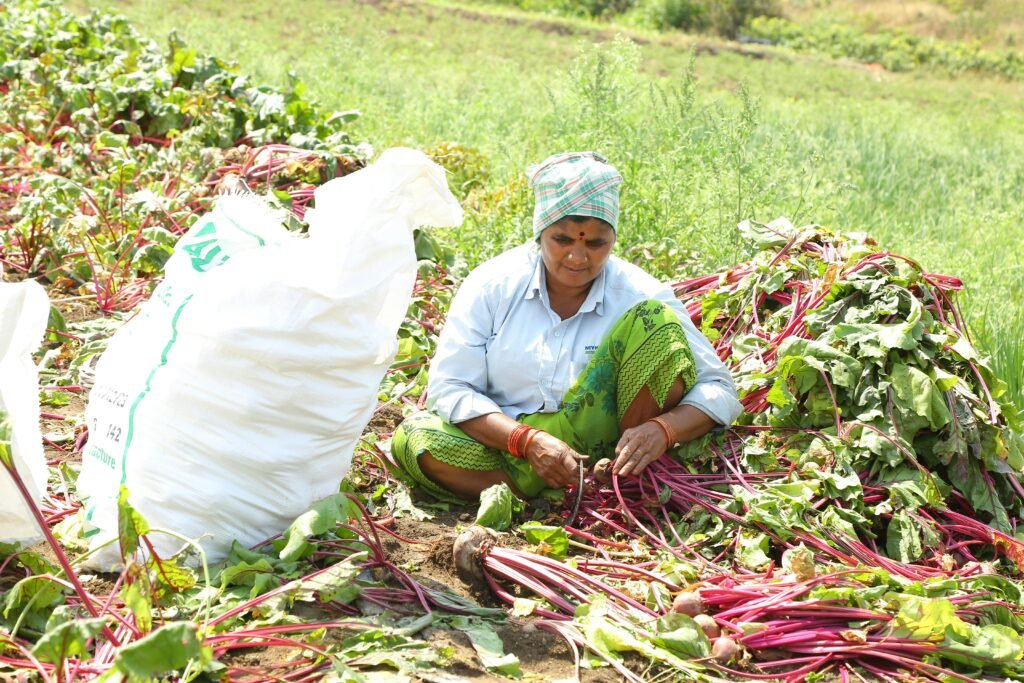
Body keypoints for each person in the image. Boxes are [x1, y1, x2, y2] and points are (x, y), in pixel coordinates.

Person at [391, 152, 742, 502]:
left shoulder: (638, 294)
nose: (578, 257)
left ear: (613, 240)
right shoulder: (491, 286)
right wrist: (525, 441)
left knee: (656, 323)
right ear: (540, 232)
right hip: (508, 448)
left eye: (595, 243)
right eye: (562, 240)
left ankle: (609, 478)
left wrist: (662, 430)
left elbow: (719, 389)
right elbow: (450, 387)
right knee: (415, 438)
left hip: (608, 451)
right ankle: (557, 493)